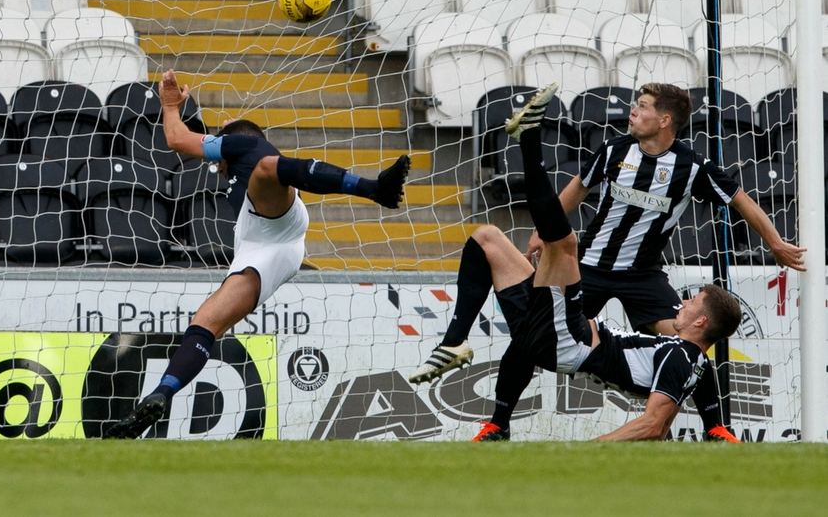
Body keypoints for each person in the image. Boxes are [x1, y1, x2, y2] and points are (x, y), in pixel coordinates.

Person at [410, 82, 804, 441]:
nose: (633, 111)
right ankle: (499, 423)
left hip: (642, 275)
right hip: (591, 267)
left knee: (689, 340)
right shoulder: (615, 150)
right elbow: (578, 188)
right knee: (531, 333)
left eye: (643, 106)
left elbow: (740, 199)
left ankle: (716, 427)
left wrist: (775, 243)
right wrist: (538, 233)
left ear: (664, 120)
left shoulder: (691, 167)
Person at [102, 69, 412, 439]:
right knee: (205, 322)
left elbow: (176, 138)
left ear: (228, 145)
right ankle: (160, 395)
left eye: (220, 145)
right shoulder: (243, 153)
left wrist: (170, 105)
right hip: (261, 244)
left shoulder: (246, 149)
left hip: (277, 221)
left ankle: (374, 188)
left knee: (267, 169)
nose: (215, 162)